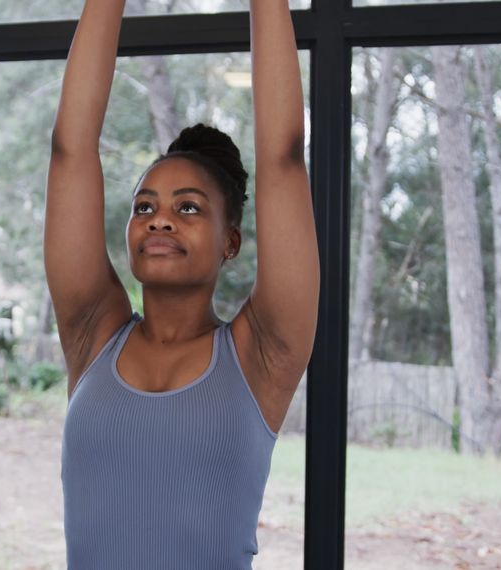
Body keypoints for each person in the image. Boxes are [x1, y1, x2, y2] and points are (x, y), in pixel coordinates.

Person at [45, 0, 318, 567]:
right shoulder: (91, 335)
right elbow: (70, 152)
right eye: (145, 205)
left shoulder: (262, 355)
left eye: (188, 207)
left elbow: (284, 158)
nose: (159, 219)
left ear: (230, 241)